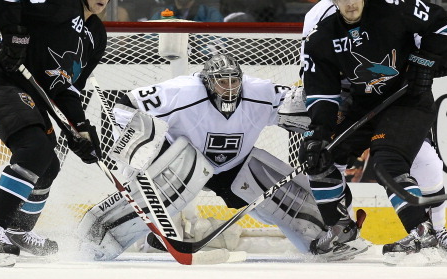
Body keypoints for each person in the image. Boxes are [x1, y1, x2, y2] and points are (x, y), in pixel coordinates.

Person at [77, 53, 369, 261]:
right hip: (183, 160)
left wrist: (332, 117)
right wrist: (133, 147)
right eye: (221, 82)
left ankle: (325, 239)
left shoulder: (259, 92)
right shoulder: (182, 91)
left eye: (233, 81)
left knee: (291, 200)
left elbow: (305, 106)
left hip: (235, 166)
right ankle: (97, 239)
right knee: (150, 199)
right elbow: (126, 104)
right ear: (206, 82)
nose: (229, 88)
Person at [302, 0, 447, 258]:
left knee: (412, 161)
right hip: (357, 104)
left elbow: (435, 30)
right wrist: (320, 129)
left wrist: (428, 61)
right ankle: (340, 228)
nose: (349, 2)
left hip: (404, 98)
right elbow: (320, 83)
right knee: (319, 156)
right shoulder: (320, 24)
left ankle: (431, 230)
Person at [0, 0, 121, 267]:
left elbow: (68, 87)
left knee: (48, 163)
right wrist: (11, 33)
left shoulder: (96, 36)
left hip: (28, 92)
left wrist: (80, 128)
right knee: (34, 148)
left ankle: (17, 231)